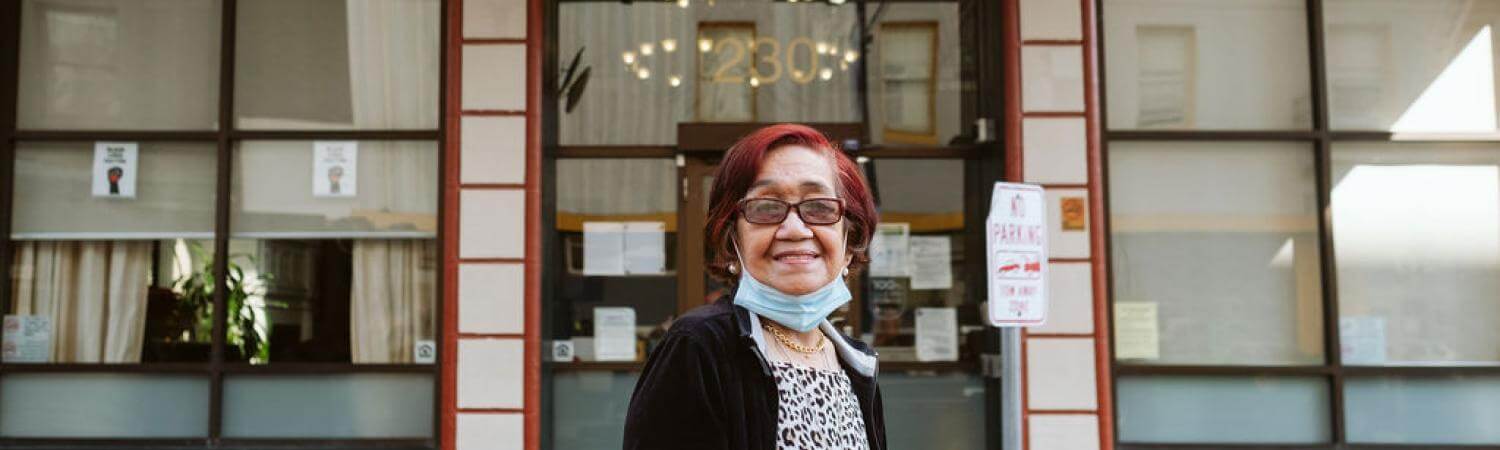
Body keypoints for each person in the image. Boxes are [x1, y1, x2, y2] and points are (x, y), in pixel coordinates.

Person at [623, 124, 886, 450]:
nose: (795, 229)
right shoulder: (699, 348)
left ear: (849, 242)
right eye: (766, 208)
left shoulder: (857, 365)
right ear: (732, 240)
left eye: (819, 207)